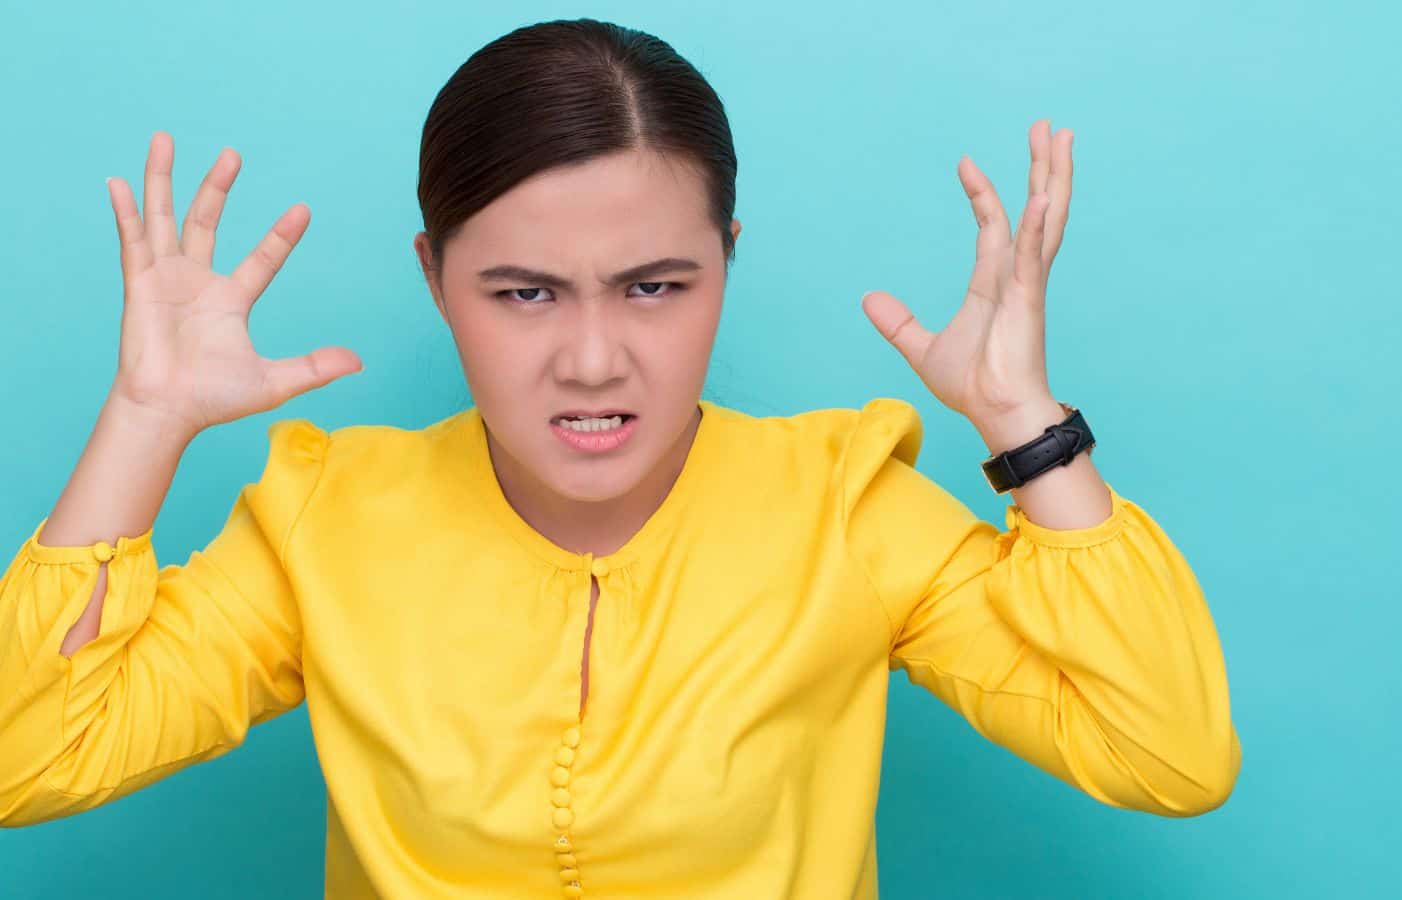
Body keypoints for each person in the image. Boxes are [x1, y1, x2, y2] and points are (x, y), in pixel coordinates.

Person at [0, 17, 1241, 899]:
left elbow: (1168, 757)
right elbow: (30, 763)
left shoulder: (845, 504)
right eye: (524, 293)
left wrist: (1030, 427)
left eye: (654, 286)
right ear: (435, 280)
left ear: (726, 264)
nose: (593, 361)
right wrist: (144, 420)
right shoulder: (328, 517)